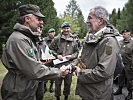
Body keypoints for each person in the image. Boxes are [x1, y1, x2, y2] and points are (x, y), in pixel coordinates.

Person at [1, 4, 69, 100]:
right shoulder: (19, 39)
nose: (41, 22)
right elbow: (34, 71)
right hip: (19, 91)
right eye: (38, 19)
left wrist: (41, 62)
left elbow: (30, 64)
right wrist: (59, 72)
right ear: (27, 19)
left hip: (26, 87)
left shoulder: (27, 38)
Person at [70, 6, 120, 100]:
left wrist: (81, 73)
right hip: (89, 91)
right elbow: (82, 58)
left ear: (100, 20)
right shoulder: (92, 37)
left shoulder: (109, 41)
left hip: (98, 94)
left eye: (90, 18)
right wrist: (71, 66)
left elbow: (104, 71)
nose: (86, 21)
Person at [49, 22, 79, 100]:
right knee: (58, 82)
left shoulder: (74, 40)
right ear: (61, 29)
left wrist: (71, 56)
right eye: (64, 28)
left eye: (67, 28)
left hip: (69, 65)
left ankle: (66, 97)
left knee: (68, 83)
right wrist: (56, 55)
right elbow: (50, 50)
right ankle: (57, 97)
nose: (66, 30)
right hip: (58, 65)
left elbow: (77, 52)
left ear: (70, 29)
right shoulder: (56, 39)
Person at [113, 29, 133, 100]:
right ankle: (120, 89)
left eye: (124, 34)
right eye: (123, 34)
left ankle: (130, 93)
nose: (123, 35)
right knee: (120, 77)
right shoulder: (120, 42)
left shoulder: (132, 43)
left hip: (129, 64)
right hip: (121, 64)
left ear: (129, 33)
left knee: (129, 79)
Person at [43, 28, 56, 93]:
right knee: (45, 72)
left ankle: (51, 86)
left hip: (53, 60)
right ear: (48, 33)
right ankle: (44, 86)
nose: (52, 33)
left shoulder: (56, 40)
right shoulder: (44, 40)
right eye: (51, 32)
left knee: (53, 73)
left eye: (53, 32)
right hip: (46, 59)